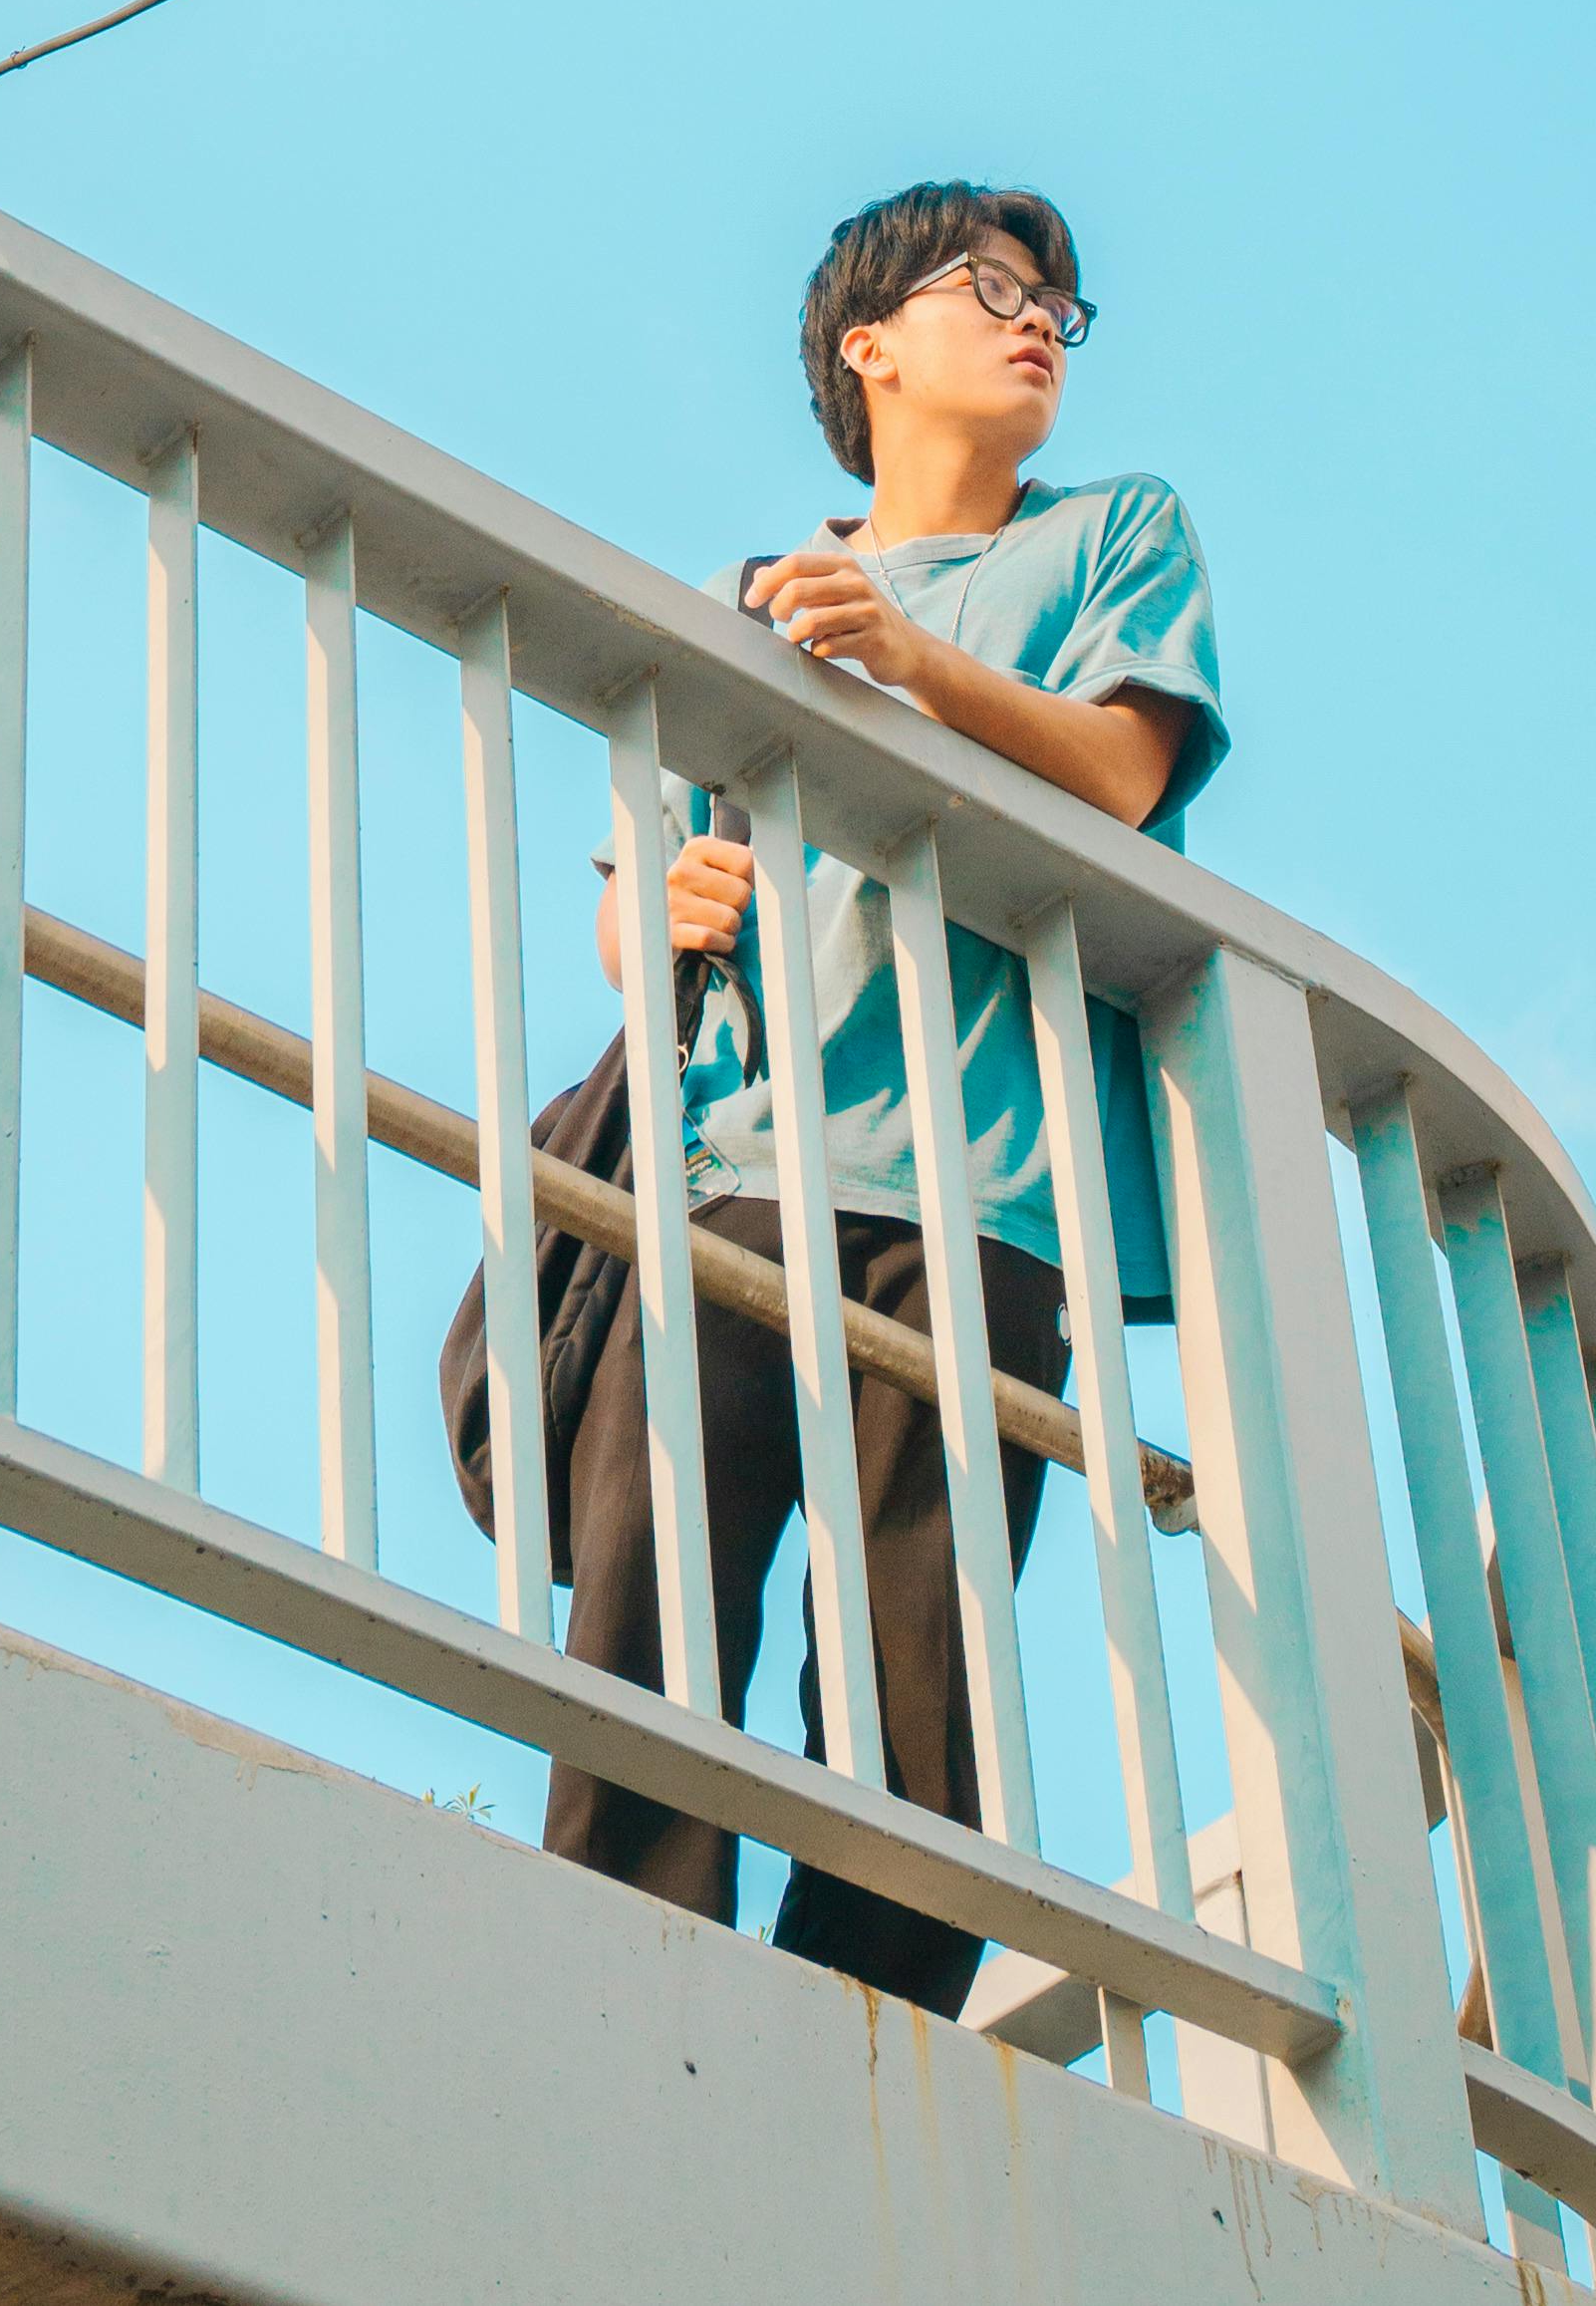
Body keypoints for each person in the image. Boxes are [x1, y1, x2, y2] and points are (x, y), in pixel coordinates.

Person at [543, 178, 1228, 2016]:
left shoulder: (1108, 537)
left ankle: (859, 2032)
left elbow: (1117, 776)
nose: (1036, 325)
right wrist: (651, 911)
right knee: (650, 1607)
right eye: (991, 288)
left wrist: (909, 659)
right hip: (732, 1164)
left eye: (1056, 309)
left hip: (986, 1191)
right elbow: (638, 885)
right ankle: (613, 1989)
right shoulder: (744, 596)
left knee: (924, 1668)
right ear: (870, 344)